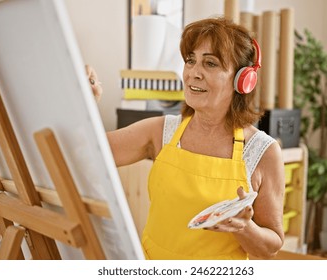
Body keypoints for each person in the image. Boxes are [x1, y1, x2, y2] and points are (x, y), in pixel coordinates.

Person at [86, 16, 285, 260]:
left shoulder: (263, 152)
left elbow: (271, 247)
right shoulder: (161, 131)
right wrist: (85, 99)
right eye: (190, 61)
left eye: (210, 63)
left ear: (242, 80)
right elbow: (87, 153)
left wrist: (245, 227)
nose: (194, 73)